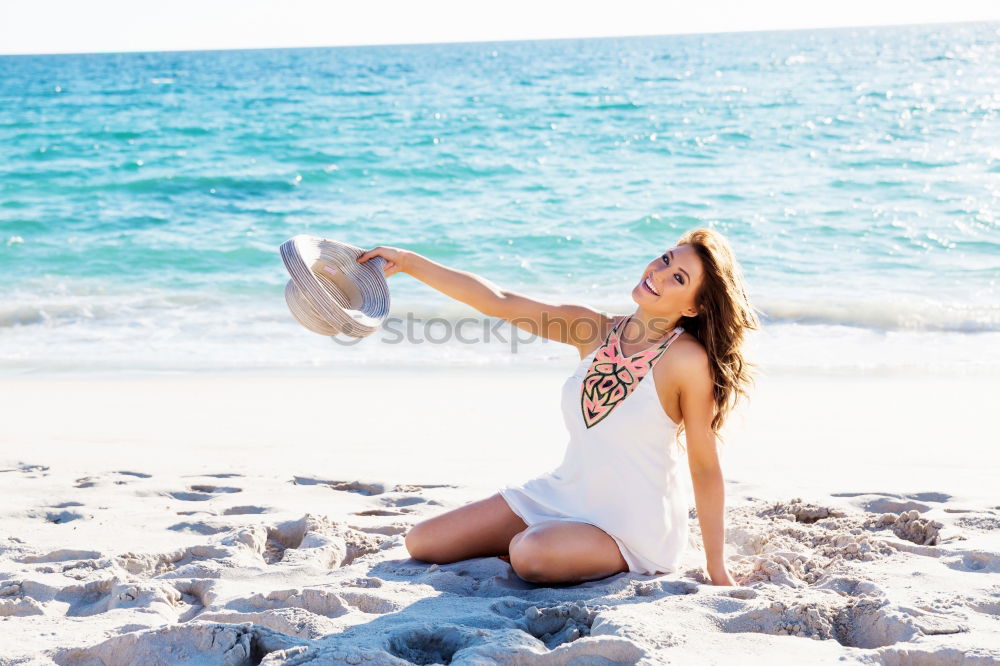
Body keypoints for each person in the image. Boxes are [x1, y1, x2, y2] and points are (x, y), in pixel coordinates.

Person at [358, 228, 759, 586]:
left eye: (678, 278)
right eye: (666, 259)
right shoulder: (592, 329)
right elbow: (497, 301)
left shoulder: (686, 361)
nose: (657, 273)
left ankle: (550, 547)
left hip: (633, 524)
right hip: (564, 495)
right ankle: (545, 542)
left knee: (530, 554)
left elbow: (705, 467)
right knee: (424, 541)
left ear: (693, 308)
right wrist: (408, 262)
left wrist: (716, 565)